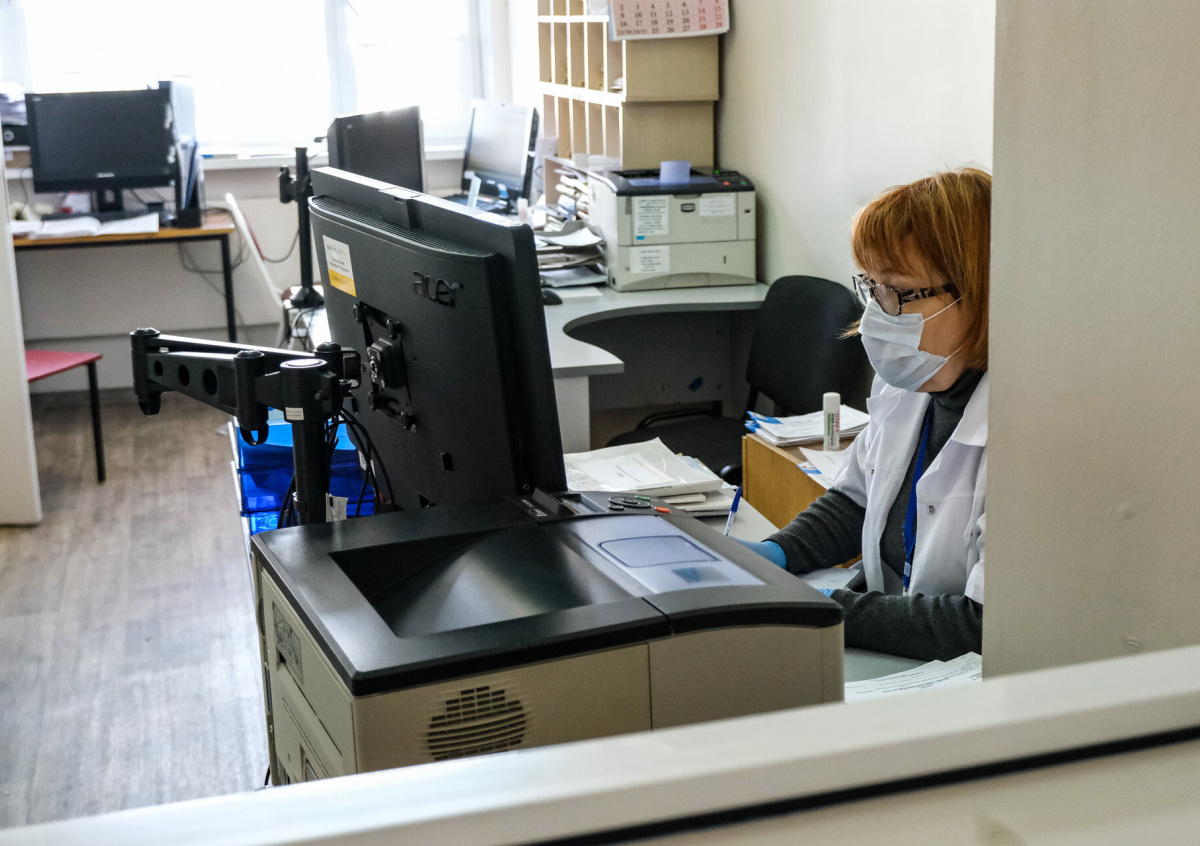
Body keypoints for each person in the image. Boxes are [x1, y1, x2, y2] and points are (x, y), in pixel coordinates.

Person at [740, 167, 990, 661]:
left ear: (976, 292)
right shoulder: (909, 383)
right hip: (892, 654)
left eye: (897, 292)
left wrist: (824, 608)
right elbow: (854, 503)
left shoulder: (1031, 430)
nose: (875, 313)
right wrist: (776, 555)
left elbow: (983, 622)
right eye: (871, 287)